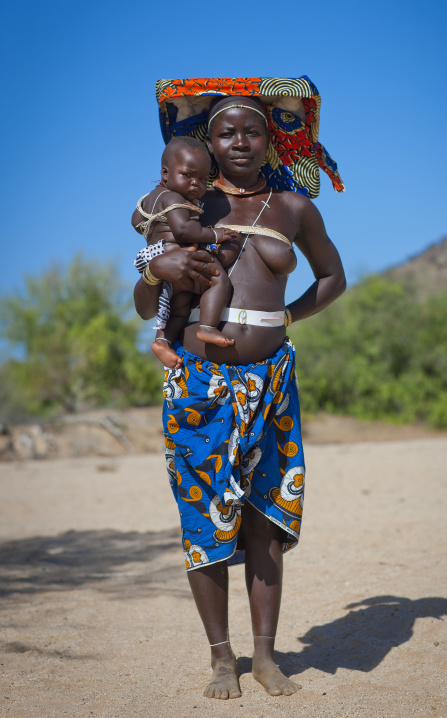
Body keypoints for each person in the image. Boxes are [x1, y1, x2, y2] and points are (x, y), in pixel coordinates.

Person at [134, 76, 347, 701]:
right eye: (227, 131)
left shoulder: (294, 209)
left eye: (253, 130)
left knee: (262, 520)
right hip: (202, 380)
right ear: (209, 139)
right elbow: (146, 299)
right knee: (204, 515)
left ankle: (264, 656)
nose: (241, 142)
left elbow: (333, 277)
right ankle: (221, 659)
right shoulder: (188, 205)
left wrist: (285, 319)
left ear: (270, 139)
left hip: (272, 380)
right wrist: (156, 266)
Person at [132, 136, 237, 368]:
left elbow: (136, 221)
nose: (195, 183)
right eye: (188, 175)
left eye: (202, 178)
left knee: (179, 309)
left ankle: (162, 341)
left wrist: (154, 232)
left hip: (159, 260)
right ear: (165, 174)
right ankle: (208, 327)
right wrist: (215, 235)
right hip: (180, 256)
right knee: (219, 281)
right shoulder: (173, 198)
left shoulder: (150, 199)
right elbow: (182, 230)